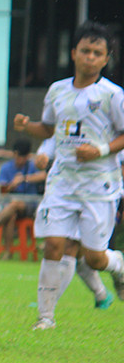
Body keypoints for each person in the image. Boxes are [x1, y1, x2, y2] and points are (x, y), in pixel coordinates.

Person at [13, 20, 124, 330]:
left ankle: (118, 267)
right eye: (85, 50)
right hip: (62, 182)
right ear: (73, 52)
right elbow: (49, 128)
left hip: (99, 186)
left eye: (97, 52)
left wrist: (100, 150)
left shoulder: (112, 96)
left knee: (93, 259)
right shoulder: (57, 90)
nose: (90, 57)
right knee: (53, 245)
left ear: (106, 58)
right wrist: (27, 126)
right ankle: (45, 318)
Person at [33, 137, 114, 309]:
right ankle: (101, 295)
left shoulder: (107, 124)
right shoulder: (69, 120)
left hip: (97, 195)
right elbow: (54, 137)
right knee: (77, 254)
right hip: (67, 193)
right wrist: (43, 154)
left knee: (85, 255)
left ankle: (49, 303)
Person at [0, 138, 46, 256]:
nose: (22, 160)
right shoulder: (6, 168)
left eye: (24, 157)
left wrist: (24, 178)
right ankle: (8, 252)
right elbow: (2, 191)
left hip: (30, 206)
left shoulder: (32, 166)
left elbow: (44, 175)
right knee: (11, 214)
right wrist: (12, 185)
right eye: (19, 156)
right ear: (14, 154)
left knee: (14, 205)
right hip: (10, 206)